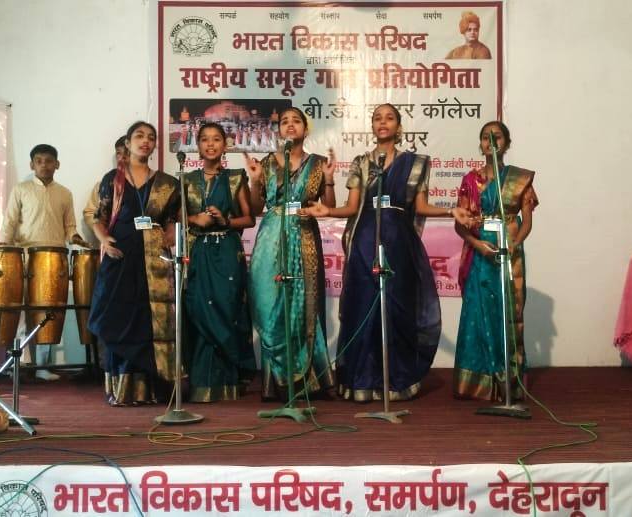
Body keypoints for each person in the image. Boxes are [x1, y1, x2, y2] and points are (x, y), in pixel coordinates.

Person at [303, 104, 471, 401]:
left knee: (397, 307)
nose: (383, 123)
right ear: (372, 126)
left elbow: (420, 206)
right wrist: (327, 211)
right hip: (365, 239)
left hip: (399, 241)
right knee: (364, 306)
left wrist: (450, 211)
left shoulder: (416, 163)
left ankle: (396, 380)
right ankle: (362, 381)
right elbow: (352, 207)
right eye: (377, 118)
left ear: (399, 126)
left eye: (389, 118)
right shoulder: (361, 163)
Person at [242, 107, 337, 400]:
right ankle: (277, 380)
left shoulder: (318, 163)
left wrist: (329, 179)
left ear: (306, 130)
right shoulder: (267, 163)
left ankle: (308, 379)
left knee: (305, 303)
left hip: (305, 235)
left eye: (296, 121)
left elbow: (329, 206)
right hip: (271, 237)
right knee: (270, 302)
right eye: (284, 121)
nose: (290, 125)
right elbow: (256, 209)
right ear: (278, 130)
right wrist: (255, 181)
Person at [88, 121, 180, 406]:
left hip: (154, 263)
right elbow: (99, 218)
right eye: (139, 136)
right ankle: (123, 389)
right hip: (120, 259)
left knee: (149, 322)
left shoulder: (168, 183)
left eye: (151, 137)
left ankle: (153, 389)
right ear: (127, 143)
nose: (145, 141)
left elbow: (172, 220)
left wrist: (168, 237)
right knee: (118, 317)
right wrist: (104, 239)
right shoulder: (113, 180)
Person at [453, 120, 539, 403]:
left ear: (507, 143)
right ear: (481, 145)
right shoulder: (470, 180)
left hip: (510, 255)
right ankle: (478, 383)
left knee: (508, 313)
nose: (491, 141)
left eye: (497, 137)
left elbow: (527, 222)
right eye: (485, 138)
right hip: (481, 256)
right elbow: (460, 226)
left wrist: (513, 245)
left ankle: (508, 382)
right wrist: (479, 246)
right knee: (479, 315)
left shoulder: (519, 179)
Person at [182, 123, 257, 402]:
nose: (210, 144)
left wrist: (225, 221)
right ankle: (202, 382)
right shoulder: (186, 180)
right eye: (205, 140)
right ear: (198, 145)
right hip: (199, 251)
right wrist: (195, 219)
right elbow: (175, 216)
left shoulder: (235, 178)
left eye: (216, 140)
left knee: (228, 309)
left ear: (225, 146)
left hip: (227, 252)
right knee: (200, 310)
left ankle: (230, 380)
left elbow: (249, 219)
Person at [0, 144, 85, 381]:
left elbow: (70, 227)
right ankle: (20, 364)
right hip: (24, 257)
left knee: (48, 312)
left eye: (49, 161)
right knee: (20, 311)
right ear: (32, 165)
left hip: (54, 259)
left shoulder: (65, 193)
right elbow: (9, 223)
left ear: (57, 164)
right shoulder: (21, 189)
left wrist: (76, 238)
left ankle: (43, 367)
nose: (44, 165)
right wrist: (4, 249)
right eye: (39, 161)